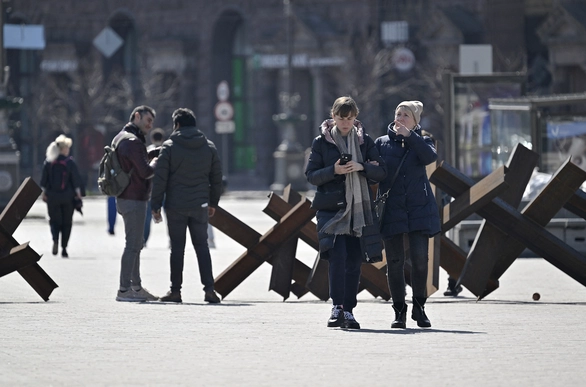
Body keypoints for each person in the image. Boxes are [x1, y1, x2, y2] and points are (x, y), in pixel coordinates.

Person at [305, 96, 386, 329]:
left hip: (359, 209)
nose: (345, 123)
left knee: (353, 260)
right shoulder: (321, 142)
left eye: (349, 118)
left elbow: (382, 172)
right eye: (341, 118)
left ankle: (349, 311)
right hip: (331, 209)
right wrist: (334, 170)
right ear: (333, 116)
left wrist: (362, 167)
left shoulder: (364, 141)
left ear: (355, 117)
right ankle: (337, 307)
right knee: (336, 257)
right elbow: (311, 175)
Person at [375, 100, 441, 328]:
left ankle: (419, 308)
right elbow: (375, 172)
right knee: (394, 262)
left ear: (415, 121)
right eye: (398, 114)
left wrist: (409, 137)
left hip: (418, 209)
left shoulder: (422, 141)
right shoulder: (381, 143)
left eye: (406, 115)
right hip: (392, 209)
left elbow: (429, 158)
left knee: (421, 260)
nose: (400, 118)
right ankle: (399, 311)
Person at [151, 108, 223, 304]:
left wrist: (155, 205)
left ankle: (175, 291)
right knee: (202, 247)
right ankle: (209, 290)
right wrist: (213, 202)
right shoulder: (208, 146)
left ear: (177, 125)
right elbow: (216, 179)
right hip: (200, 205)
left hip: (175, 205)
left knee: (177, 249)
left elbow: (160, 178)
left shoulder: (169, 146)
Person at [114, 105, 159, 302]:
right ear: (137, 116)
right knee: (133, 245)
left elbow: (133, 164)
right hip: (133, 198)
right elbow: (145, 172)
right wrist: (158, 160)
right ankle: (124, 290)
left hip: (126, 196)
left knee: (135, 243)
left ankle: (136, 287)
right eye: (148, 121)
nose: (150, 126)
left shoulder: (122, 137)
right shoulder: (133, 142)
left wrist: (152, 153)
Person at [40, 134, 83, 258]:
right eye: (67, 147)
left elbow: (44, 180)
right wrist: (78, 194)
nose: (68, 150)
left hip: (52, 197)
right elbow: (75, 180)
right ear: (63, 149)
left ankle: (55, 239)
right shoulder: (69, 162)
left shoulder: (49, 162)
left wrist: (44, 193)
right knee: (67, 223)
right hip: (68, 197)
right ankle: (64, 248)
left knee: (54, 221)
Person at [143, 128, 165, 247]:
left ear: (151, 139)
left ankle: (144, 240)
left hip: (151, 188)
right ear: (162, 139)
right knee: (170, 216)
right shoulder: (167, 151)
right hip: (165, 188)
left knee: (147, 217)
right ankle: (172, 240)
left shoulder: (148, 151)